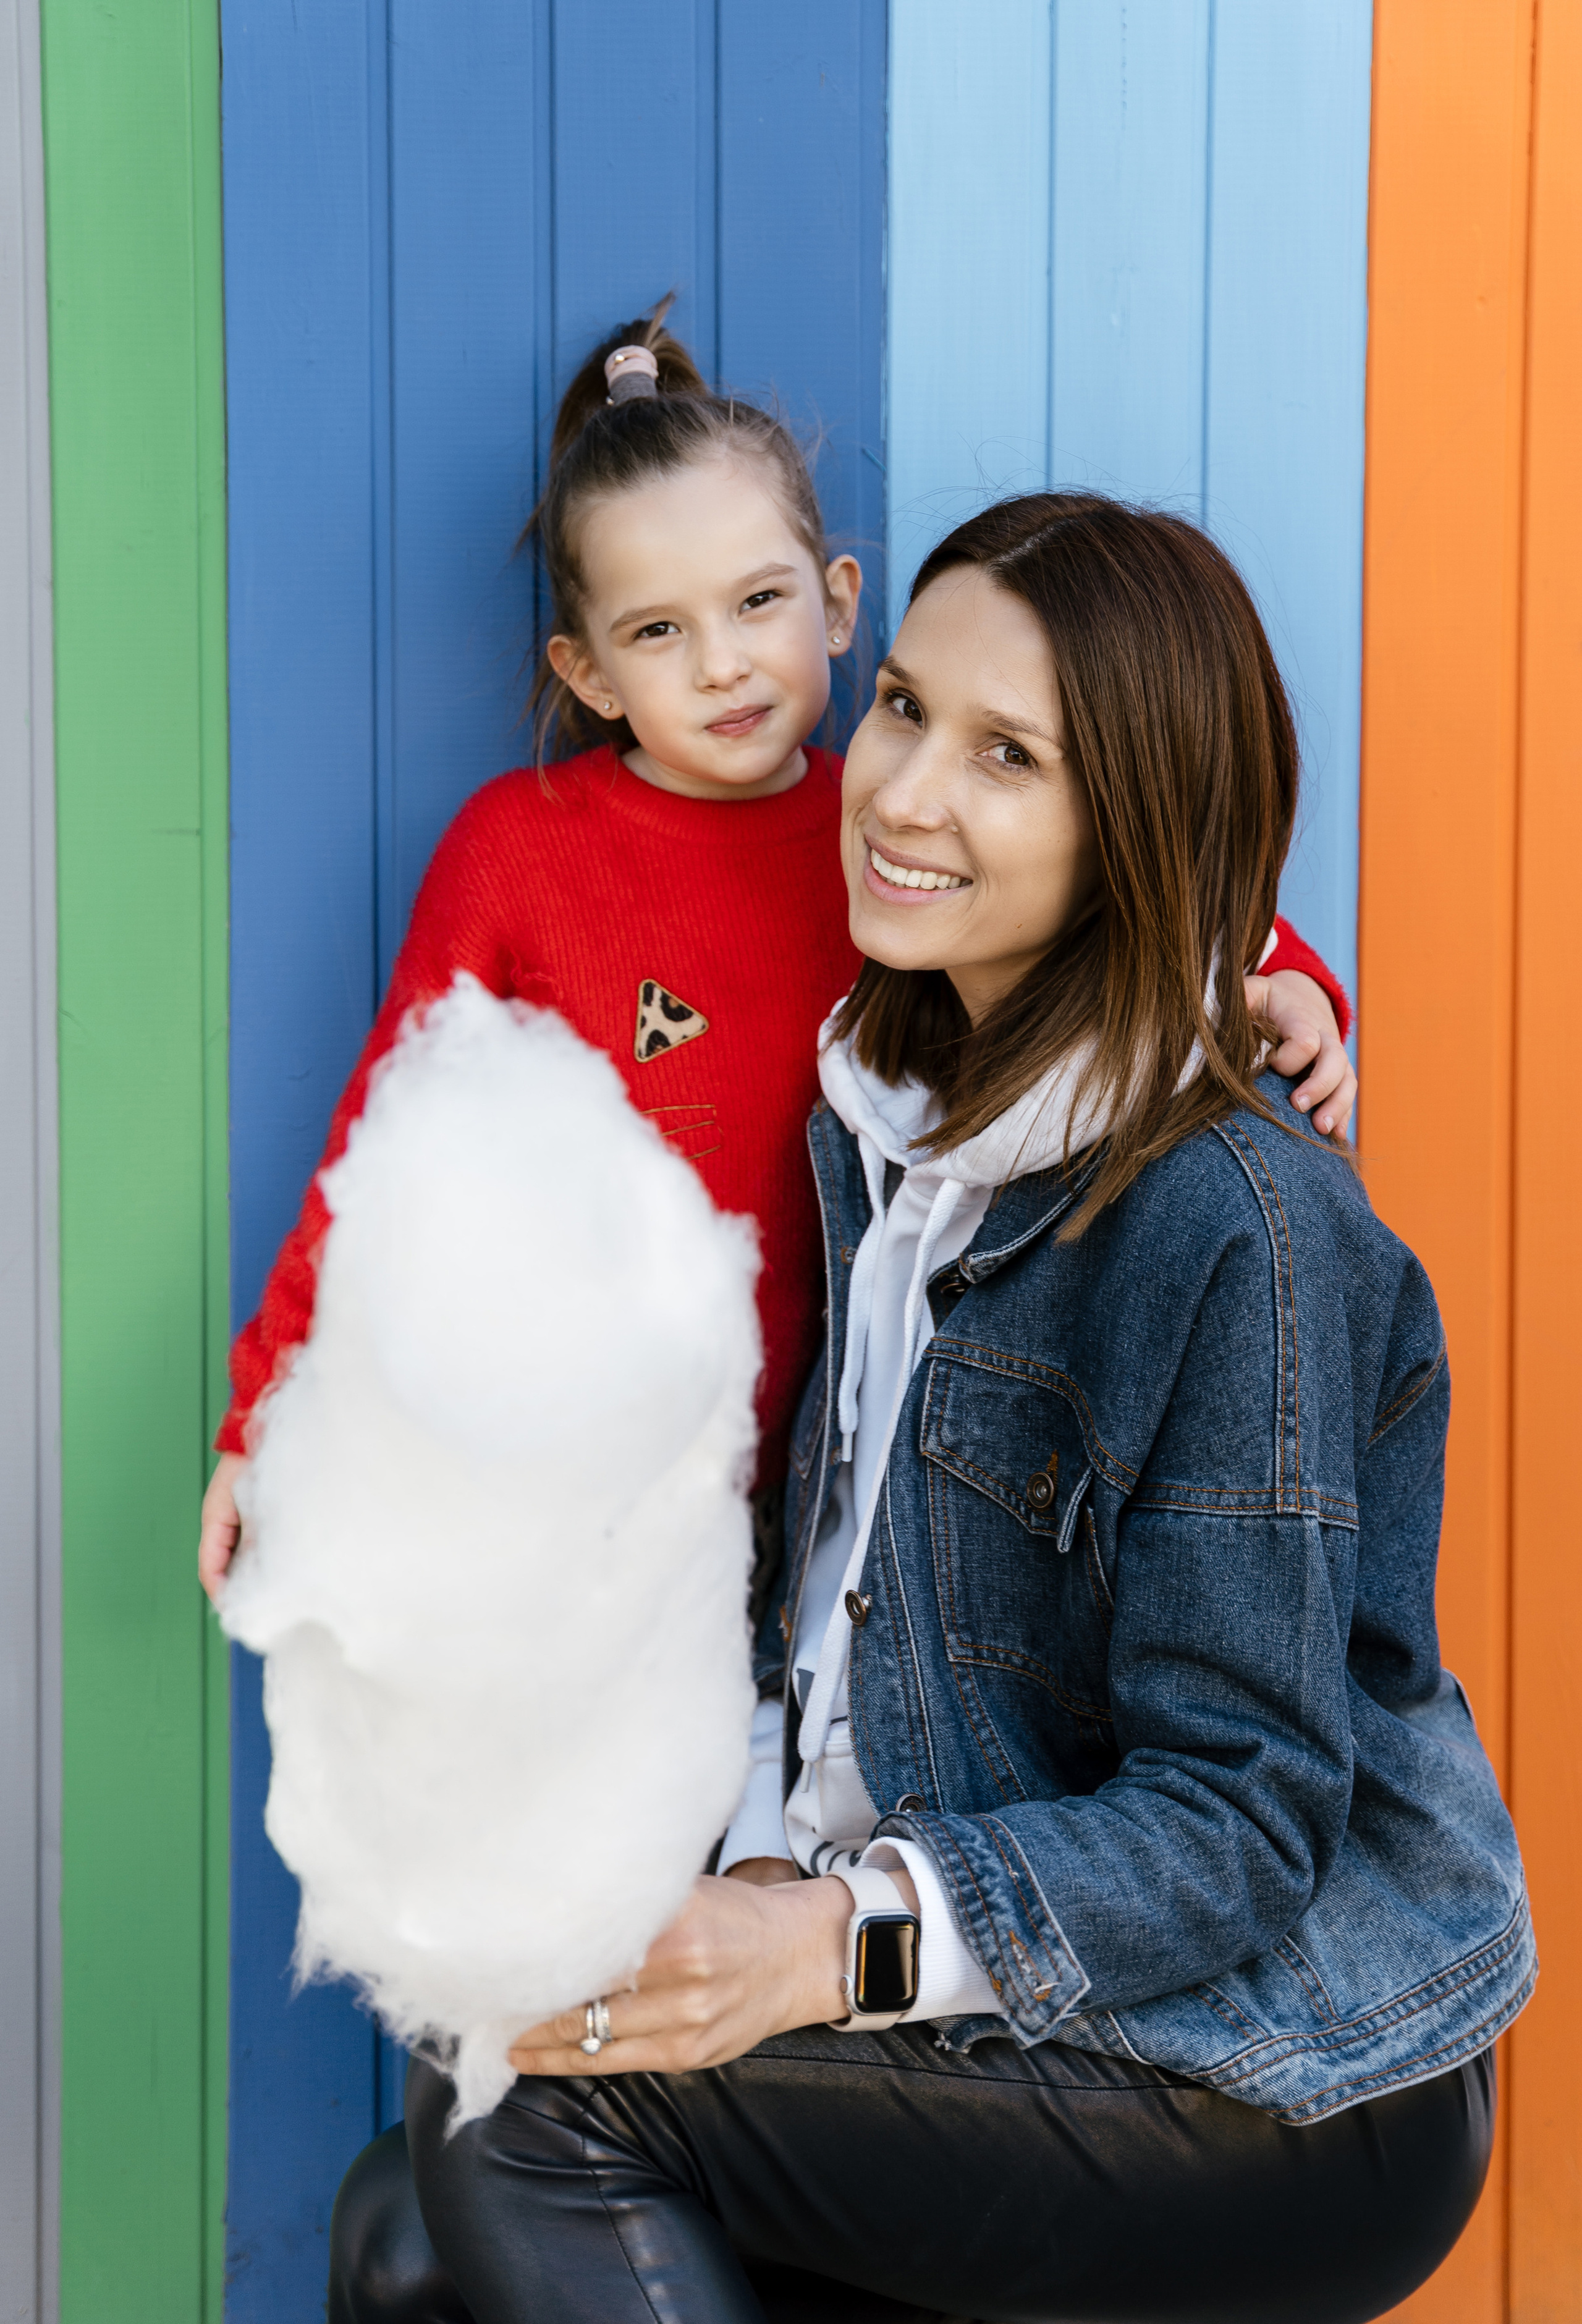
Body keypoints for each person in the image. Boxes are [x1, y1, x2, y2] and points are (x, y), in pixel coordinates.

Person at [206, 300, 1350, 2320]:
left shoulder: (948, 935)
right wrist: (266, 1414)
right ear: (582, 670)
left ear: (827, 599)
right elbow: (393, 1156)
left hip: (900, 1587)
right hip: (668, 1548)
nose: (728, 670)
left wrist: (1288, 981)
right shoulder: (584, 860)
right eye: (657, 634)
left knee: (520, 2108)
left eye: (761, 608)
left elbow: (1158, 882)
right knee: (444, 2141)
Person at [381, 494, 1531, 2324]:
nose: (906, 791)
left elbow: (1241, 1822)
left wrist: (830, 1938)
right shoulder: (885, 1127)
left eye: (1011, 757)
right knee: (412, 2231)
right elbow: (839, 1597)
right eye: (906, 708)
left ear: (1135, 820)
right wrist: (745, 1870)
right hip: (1007, 1967)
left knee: (521, 2123)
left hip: (1283, 2062)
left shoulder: (1233, 1224)